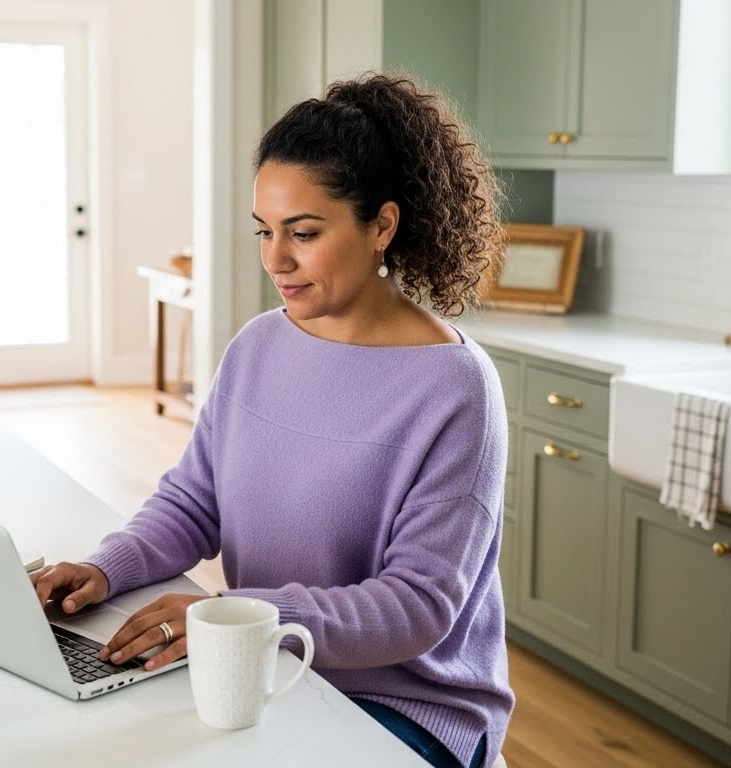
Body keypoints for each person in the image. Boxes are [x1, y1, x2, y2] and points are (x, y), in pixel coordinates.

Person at [32, 72, 512, 768]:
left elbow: (416, 607)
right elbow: (195, 503)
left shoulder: (454, 388)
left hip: (407, 706)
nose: (275, 260)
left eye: (304, 233)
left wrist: (244, 621)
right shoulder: (259, 344)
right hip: (261, 670)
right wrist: (106, 569)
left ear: (381, 224)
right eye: (264, 231)